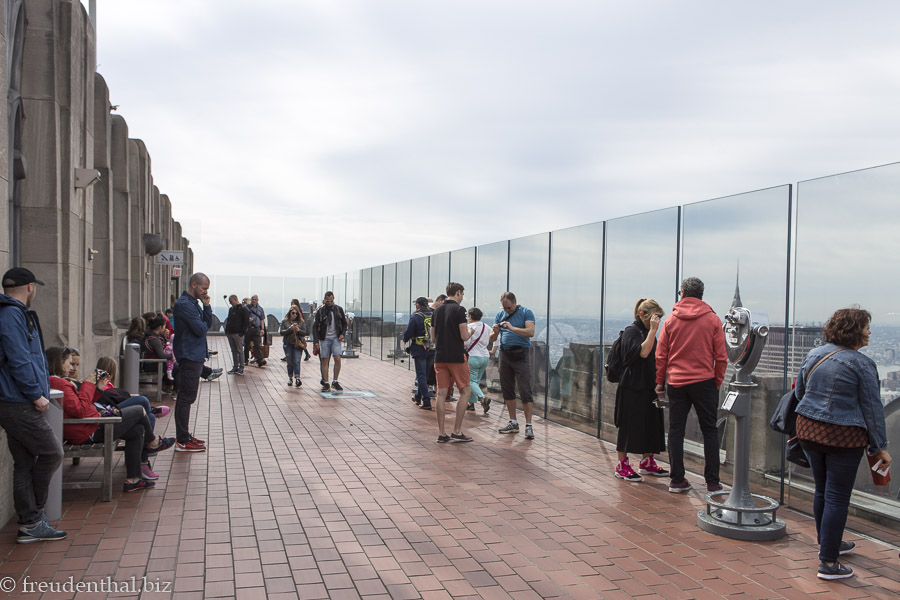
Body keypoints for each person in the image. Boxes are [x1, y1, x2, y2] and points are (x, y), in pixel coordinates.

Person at [794, 307, 891, 580]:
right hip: (843, 437)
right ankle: (828, 562)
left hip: (808, 430)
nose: (869, 331)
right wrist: (879, 446)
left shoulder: (815, 354)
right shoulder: (862, 364)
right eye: (866, 327)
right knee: (837, 496)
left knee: (822, 490)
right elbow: (872, 409)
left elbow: (800, 392)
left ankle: (828, 543)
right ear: (854, 330)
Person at [0, 267, 66, 543]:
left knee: (25, 462)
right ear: (29, 287)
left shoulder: (12, 313)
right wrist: (36, 395)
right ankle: (35, 515)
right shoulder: (12, 315)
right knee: (52, 453)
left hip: (14, 400)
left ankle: (29, 523)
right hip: (19, 401)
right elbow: (19, 359)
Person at [48, 348, 174, 491]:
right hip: (89, 429)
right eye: (69, 363)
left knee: (137, 430)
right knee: (140, 410)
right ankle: (152, 442)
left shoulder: (60, 382)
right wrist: (88, 384)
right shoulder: (59, 383)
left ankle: (134, 479)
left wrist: (97, 389)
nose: (71, 368)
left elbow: (84, 404)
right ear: (59, 363)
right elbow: (80, 410)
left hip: (93, 424)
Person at [655, 277, 727, 494]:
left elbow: (661, 355)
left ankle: (677, 479)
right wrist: (717, 381)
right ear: (701, 294)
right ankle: (712, 482)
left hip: (677, 382)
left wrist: (660, 382)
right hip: (704, 382)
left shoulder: (670, 321)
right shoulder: (713, 320)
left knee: (676, 430)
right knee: (710, 431)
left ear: (683, 292)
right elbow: (721, 357)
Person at [613, 299, 669, 482]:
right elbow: (642, 352)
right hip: (632, 387)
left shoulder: (646, 332)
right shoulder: (632, 331)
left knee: (651, 424)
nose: (656, 323)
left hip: (648, 386)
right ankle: (622, 464)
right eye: (653, 319)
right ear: (643, 315)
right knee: (628, 426)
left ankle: (647, 460)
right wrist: (653, 331)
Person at [94, 356, 170, 479]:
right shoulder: (96, 384)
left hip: (111, 411)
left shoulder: (105, 384)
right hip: (108, 416)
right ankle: (147, 452)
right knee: (142, 401)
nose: (74, 368)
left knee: (148, 417)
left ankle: (144, 460)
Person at [171, 272, 213, 452]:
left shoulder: (193, 304)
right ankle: (182, 439)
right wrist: (203, 322)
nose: (205, 292)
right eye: (204, 288)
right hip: (189, 355)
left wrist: (207, 307)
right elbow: (200, 329)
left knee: (188, 397)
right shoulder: (184, 305)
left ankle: (185, 436)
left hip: (193, 355)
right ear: (194, 285)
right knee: (186, 397)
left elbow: (206, 324)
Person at [490, 291, 537, 440]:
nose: (507, 311)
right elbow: (492, 338)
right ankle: (513, 421)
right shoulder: (499, 315)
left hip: (520, 354)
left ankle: (528, 425)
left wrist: (511, 328)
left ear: (514, 302)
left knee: (525, 389)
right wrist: (496, 332)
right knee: (507, 388)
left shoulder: (526, 312)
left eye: (509, 308)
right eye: (504, 308)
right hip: (505, 354)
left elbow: (530, 332)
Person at [431, 283, 473, 443]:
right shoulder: (459, 310)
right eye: (462, 294)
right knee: (465, 391)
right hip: (456, 356)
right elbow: (464, 336)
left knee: (441, 394)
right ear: (458, 292)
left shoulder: (437, 310)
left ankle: (441, 433)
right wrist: (471, 331)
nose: (462, 297)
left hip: (440, 356)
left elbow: (433, 338)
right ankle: (456, 430)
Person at [402, 297, 435, 410]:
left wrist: (405, 339)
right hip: (432, 348)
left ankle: (426, 401)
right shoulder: (433, 315)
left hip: (419, 348)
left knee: (421, 376)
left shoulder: (416, 316)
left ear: (418, 305)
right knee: (425, 375)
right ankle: (417, 396)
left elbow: (408, 332)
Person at [313, 291, 347, 392]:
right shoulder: (320, 311)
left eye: (331, 301)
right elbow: (315, 327)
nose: (329, 303)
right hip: (325, 338)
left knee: (337, 358)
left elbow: (344, 323)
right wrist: (316, 341)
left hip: (336, 338)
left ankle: (335, 381)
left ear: (333, 299)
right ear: (324, 300)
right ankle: (326, 382)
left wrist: (342, 334)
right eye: (327, 301)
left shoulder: (338, 309)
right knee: (324, 360)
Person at [465, 308, 492, 414]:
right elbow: (497, 338)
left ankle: (482, 399)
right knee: (475, 382)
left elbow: (466, 343)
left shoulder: (469, 327)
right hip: (485, 357)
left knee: (471, 381)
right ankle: (471, 404)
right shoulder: (487, 327)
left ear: (470, 316)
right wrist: (493, 350)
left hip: (473, 356)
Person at [280, 306, 308, 388]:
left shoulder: (301, 322)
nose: (294, 315)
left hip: (298, 344)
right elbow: (281, 332)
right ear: (290, 313)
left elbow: (305, 332)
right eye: (293, 313)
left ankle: (297, 377)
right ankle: (290, 377)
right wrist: (290, 329)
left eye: (296, 313)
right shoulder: (285, 322)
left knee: (296, 361)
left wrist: (298, 330)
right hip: (288, 343)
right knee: (290, 362)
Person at [224, 294, 249, 375]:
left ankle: (241, 367)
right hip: (230, 333)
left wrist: (242, 333)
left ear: (235, 299)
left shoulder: (243, 309)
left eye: (231, 301)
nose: (230, 303)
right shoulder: (231, 309)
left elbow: (246, 322)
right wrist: (227, 331)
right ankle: (235, 367)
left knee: (240, 350)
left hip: (238, 333)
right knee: (233, 350)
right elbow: (229, 320)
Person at [245, 295, 267, 367]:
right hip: (248, 328)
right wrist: (248, 319)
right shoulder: (247, 307)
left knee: (257, 345)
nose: (254, 301)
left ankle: (259, 360)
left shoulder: (260, 309)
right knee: (247, 345)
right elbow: (243, 316)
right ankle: (245, 359)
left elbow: (262, 319)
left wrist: (262, 329)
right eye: (252, 299)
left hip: (256, 328)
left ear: (257, 300)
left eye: (255, 299)